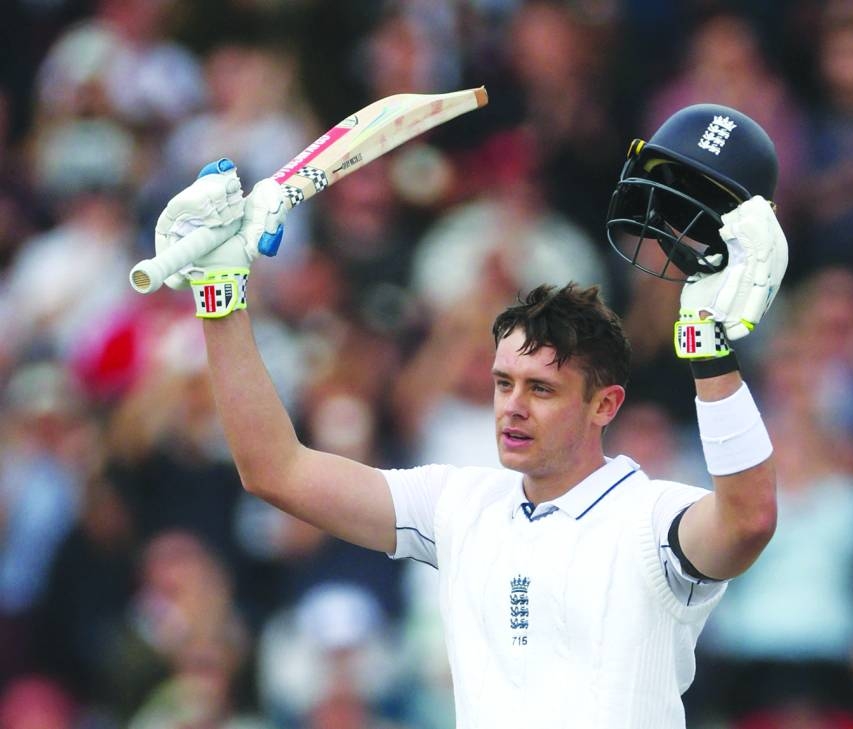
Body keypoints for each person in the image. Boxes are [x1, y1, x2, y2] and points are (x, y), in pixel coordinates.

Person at [150, 102, 788, 728]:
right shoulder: (459, 504)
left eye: (542, 389)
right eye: (503, 383)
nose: (513, 406)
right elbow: (275, 470)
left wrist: (708, 347)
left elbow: (749, 519)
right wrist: (220, 295)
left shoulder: (652, 519)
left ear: (605, 404)